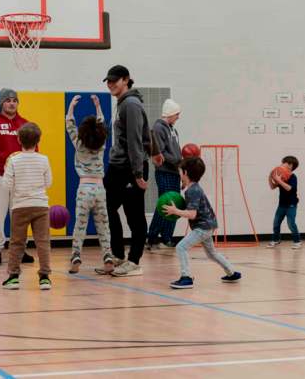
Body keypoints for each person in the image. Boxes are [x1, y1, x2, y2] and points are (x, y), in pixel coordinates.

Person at [102, 65, 153, 277]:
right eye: (108, 81)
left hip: (131, 168)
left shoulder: (130, 104)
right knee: (107, 209)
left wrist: (138, 174)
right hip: (117, 167)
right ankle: (118, 255)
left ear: (126, 80)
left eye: (115, 80)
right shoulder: (122, 104)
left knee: (134, 216)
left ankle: (134, 261)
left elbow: (134, 141)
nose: (111, 84)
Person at [164, 157, 241, 289]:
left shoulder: (192, 191)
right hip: (208, 225)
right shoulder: (193, 188)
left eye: (180, 172)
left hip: (202, 227)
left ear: (186, 173)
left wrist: (175, 210)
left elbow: (192, 214)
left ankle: (186, 277)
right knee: (211, 253)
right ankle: (232, 273)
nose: (179, 174)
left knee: (181, 247)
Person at [0, 88, 34, 265]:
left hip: (21, 178)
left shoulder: (25, 124)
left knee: (20, 215)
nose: (12, 103)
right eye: (8, 100)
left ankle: (20, 249)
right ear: (2, 103)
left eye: (14, 100)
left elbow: (33, 149)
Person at [65, 94, 114, 274]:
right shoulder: (102, 145)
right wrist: (98, 105)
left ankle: (76, 255)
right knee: (103, 225)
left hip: (84, 189)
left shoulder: (79, 144)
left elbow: (70, 123)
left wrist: (71, 107)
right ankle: (107, 256)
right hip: (100, 189)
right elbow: (102, 124)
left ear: (83, 132)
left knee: (80, 225)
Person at [1, 123, 53, 290]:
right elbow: (49, 183)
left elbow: (6, 185)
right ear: (38, 141)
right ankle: (44, 277)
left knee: (17, 242)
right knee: (43, 242)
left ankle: (13, 277)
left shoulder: (13, 160)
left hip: (20, 207)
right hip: (41, 206)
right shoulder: (44, 159)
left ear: (18, 140)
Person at [147, 98, 183, 249]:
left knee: (175, 204)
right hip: (164, 172)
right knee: (165, 204)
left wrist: (181, 166)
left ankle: (167, 237)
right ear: (170, 113)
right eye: (176, 114)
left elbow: (175, 151)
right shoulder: (158, 128)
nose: (178, 117)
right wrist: (177, 160)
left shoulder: (173, 129)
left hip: (174, 172)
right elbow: (159, 153)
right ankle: (153, 236)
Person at [267, 155, 302, 249]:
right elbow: (272, 187)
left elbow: (289, 188)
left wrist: (278, 180)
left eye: (284, 163)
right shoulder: (282, 176)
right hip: (282, 204)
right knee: (276, 223)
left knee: (291, 223)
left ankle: (297, 242)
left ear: (291, 165)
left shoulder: (293, 177)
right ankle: (276, 240)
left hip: (291, 204)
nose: (281, 165)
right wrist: (270, 178)